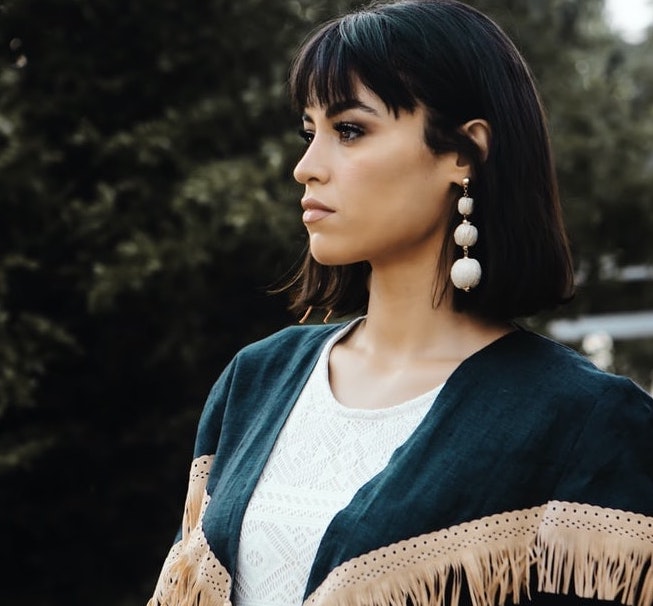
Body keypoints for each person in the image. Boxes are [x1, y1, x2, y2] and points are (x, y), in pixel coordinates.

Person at [147, 1, 653, 605]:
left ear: (464, 154)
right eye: (310, 133)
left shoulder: (585, 422)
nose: (305, 168)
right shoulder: (255, 381)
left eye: (350, 130)